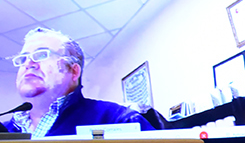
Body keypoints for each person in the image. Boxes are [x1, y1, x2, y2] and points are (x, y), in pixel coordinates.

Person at [1, 27, 156, 137]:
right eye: (23, 58)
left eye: (41, 55)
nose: (28, 63)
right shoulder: (4, 131)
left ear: (73, 71)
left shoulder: (119, 120)